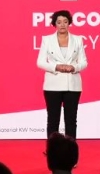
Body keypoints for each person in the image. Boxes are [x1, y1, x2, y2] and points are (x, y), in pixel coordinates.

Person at [37, 10, 88, 141]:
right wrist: (56, 67)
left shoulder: (78, 40)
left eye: (65, 22)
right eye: (59, 22)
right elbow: (40, 62)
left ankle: (71, 150)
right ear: (54, 24)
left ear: (69, 23)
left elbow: (84, 62)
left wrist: (74, 67)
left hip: (73, 85)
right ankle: (52, 149)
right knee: (53, 120)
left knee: (71, 120)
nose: (62, 25)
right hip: (52, 85)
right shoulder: (47, 40)